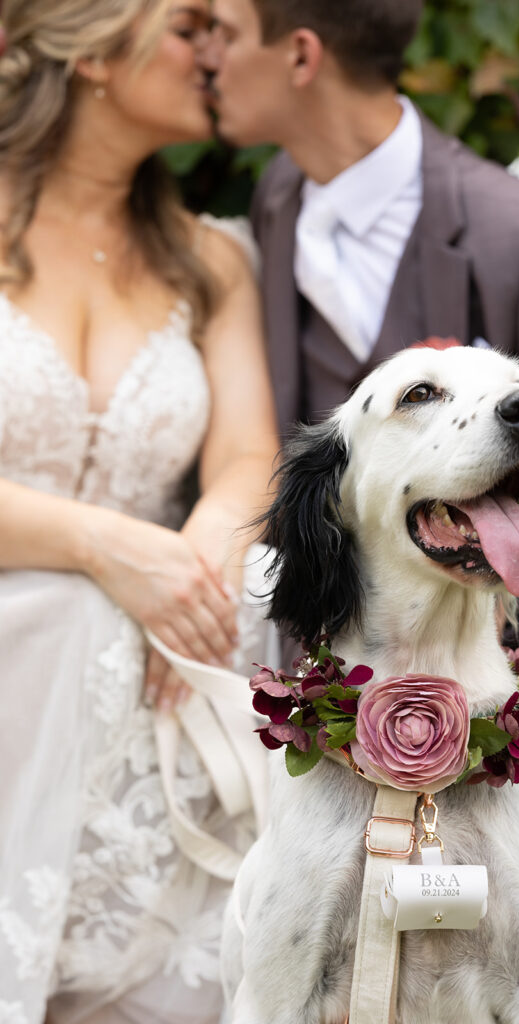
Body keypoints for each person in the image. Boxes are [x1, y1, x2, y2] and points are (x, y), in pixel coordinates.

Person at [199, 2, 519, 1021]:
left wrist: (509, 560)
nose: (202, 53)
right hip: (321, 607)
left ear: (299, 55)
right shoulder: (273, 210)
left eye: (223, 32)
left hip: (510, 631)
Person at [0, 0, 278, 1020]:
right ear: (93, 53)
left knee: (259, 580)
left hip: (146, 672)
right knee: (64, 610)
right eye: (189, 26)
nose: (215, 52)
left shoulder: (210, 259)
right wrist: (105, 546)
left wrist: (203, 541)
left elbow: (248, 454)